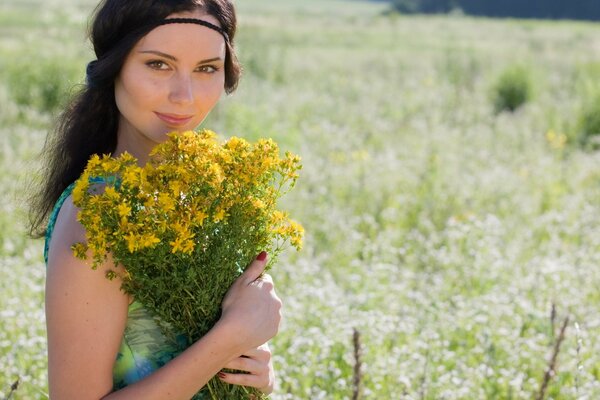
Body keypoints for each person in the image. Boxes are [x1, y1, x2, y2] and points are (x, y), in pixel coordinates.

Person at [28, 0, 282, 398]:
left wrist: (258, 373)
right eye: (158, 64)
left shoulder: (202, 190)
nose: (184, 96)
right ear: (115, 67)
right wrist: (228, 342)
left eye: (206, 69)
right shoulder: (97, 214)